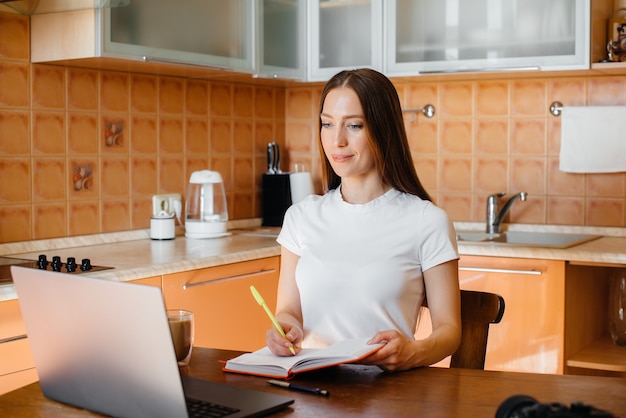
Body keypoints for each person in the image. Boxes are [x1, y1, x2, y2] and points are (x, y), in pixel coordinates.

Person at [266, 68, 461, 372]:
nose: (337, 140)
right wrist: (284, 330)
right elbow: (289, 312)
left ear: (383, 130)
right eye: (327, 124)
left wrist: (414, 352)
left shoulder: (427, 221)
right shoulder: (300, 217)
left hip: (387, 395)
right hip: (313, 388)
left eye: (354, 125)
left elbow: (449, 332)